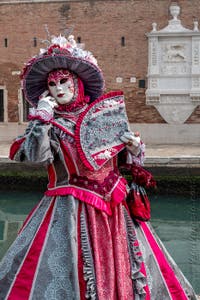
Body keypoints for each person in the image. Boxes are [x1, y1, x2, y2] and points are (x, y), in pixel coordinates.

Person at [0, 34, 197, 300]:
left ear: (77, 83)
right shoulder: (48, 123)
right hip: (69, 208)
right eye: (52, 84)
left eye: (63, 82)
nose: (58, 88)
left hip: (115, 207)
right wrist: (42, 118)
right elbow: (35, 156)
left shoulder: (102, 117)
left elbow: (117, 162)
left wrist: (135, 150)